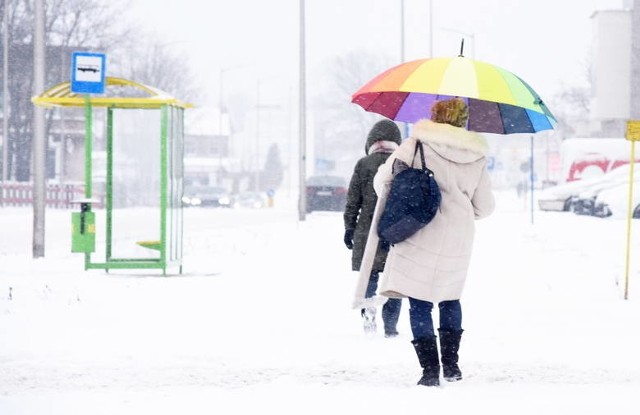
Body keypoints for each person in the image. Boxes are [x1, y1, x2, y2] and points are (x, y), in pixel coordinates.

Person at [372, 98, 495, 386]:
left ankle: (429, 371)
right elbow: (485, 206)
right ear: (463, 119)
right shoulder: (476, 155)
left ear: (434, 116)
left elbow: (382, 182)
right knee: (450, 297)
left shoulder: (414, 145)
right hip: (457, 236)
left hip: (418, 230)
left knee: (420, 301)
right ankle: (451, 366)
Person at [343, 119, 403, 337]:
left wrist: (349, 227)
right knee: (394, 279)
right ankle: (390, 325)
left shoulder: (363, 164)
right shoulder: (403, 161)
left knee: (369, 275)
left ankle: (368, 311)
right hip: (397, 231)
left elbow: (353, 201)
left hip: (368, 231)